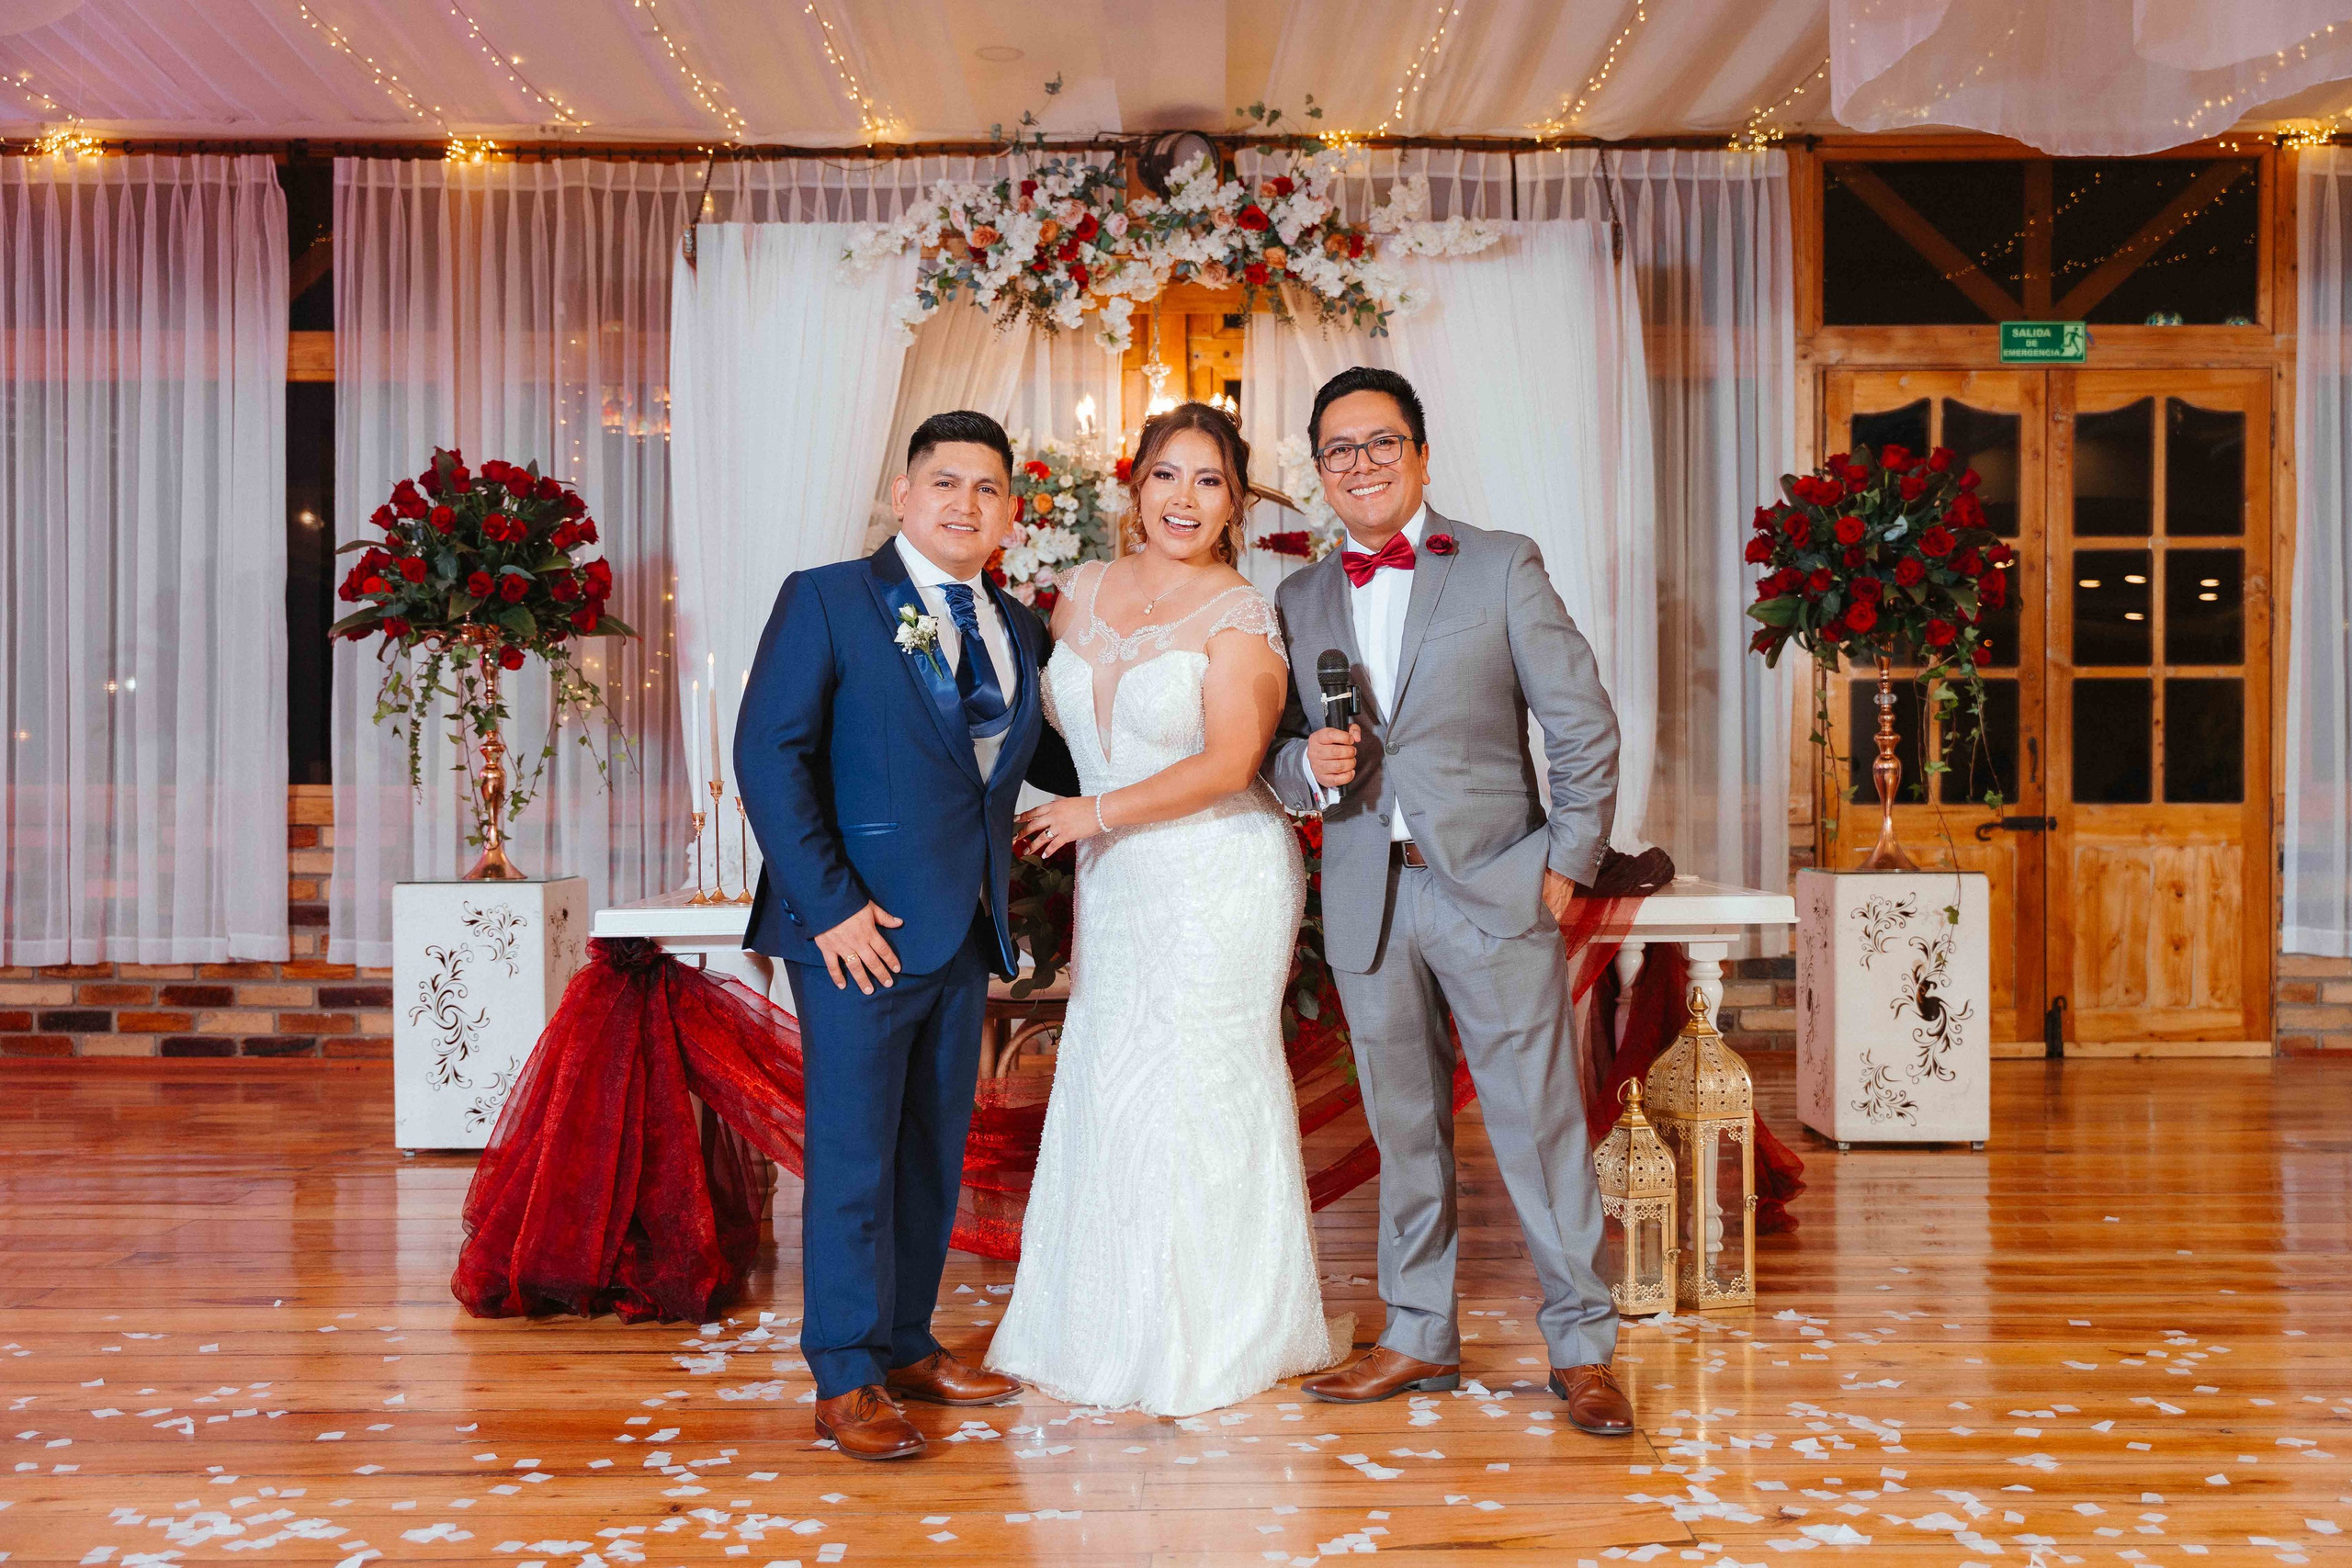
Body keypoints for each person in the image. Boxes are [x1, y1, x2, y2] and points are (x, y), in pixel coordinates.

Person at [1260, 367, 1635, 1438]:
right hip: (1370, 898)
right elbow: (1275, 756)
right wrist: (1305, 767)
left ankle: (1583, 1346)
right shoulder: (1299, 598)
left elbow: (1583, 725)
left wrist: (1564, 863)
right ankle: (1418, 1332)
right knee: (1403, 1129)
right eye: (1339, 450)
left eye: (1381, 444)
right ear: (1320, 472)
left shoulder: (1500, 564)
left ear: (1420, 454)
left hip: (1493, 890)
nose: (1362, 465)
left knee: (1535, 1124)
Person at [982, 401, 1347, 1416]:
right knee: (1109, 1077)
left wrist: (1091, 812)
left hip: (1214, 874)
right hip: (1117, 881)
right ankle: (1097, 1322)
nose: (1184, 499)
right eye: (1166, 476)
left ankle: (1215, 1332)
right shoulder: (1080, 594)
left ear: (1234, 503)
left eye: (1209, 481)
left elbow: (1232, 765)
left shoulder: (1240, 613)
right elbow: (1038, 740)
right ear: (1132, 486)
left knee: (1198, 1088)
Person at [735, 410, 1080, 1461]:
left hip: (965, 928)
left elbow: (1064, 767)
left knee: (932, 1151)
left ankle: (904, 1343)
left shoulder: (1021, 629)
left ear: (1011, 512)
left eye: (986, 488)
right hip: (856, 930)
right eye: (945, 483)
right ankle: (843, 1373)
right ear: (902, 492)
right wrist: (831, 906)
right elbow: (768, 754)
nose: (964, 504)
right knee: (850, 1152)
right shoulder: (829, 598)